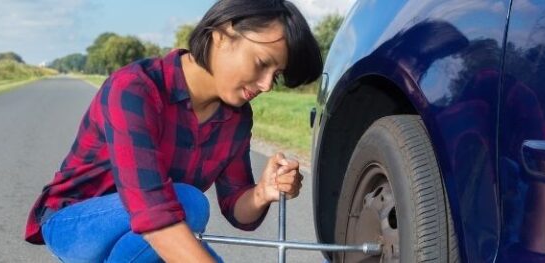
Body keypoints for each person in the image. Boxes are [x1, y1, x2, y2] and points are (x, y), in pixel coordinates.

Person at [24, 0, 322, 262]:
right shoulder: (136, 89)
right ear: (222, 34)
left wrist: (262, 192)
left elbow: (236, 210)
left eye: (276, 75)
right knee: (189, 202)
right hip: (75, 223)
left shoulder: (236, 117)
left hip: (153, 228)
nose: (267, 85)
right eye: (261, 64)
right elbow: (154, 214)